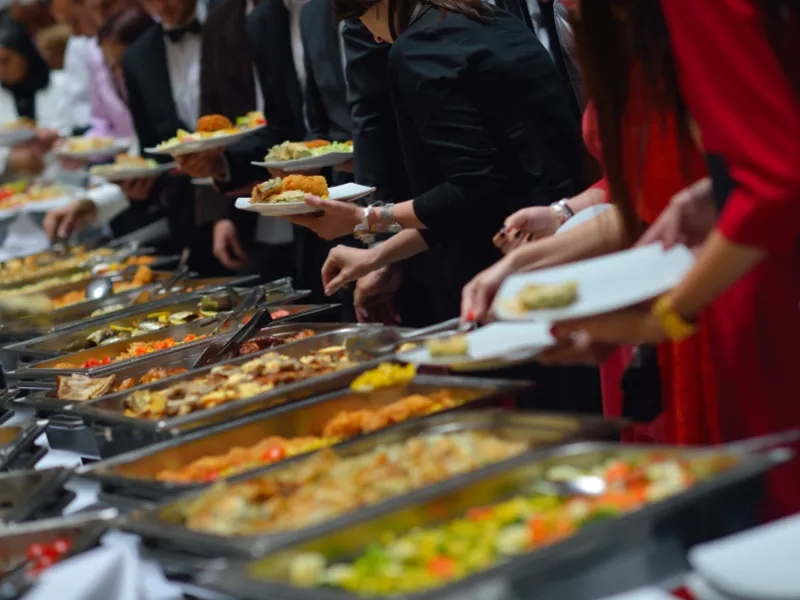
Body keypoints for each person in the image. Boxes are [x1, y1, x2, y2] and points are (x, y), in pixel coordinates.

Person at [549, 0, 800, 516]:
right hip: (720, 275)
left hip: (747, 288)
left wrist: (660, 318)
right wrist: (711, 193)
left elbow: (774, 184)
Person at [294, 0, 583, 324]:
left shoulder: (419, 47)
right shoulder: (487, 17)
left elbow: (471, 190)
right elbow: (483, 188)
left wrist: (364, 219)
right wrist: (378, 254)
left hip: (507, 264)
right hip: (565, 233)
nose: (375, 39)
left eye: (364, 23)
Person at [0, 19, 71, 179]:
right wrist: (7, 158)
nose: (1, 69)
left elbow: (85, 130)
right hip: (11, 189)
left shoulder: (63, 85)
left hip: (63, 178)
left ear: (25, 56)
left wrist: (57, 136)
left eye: (6, 60)